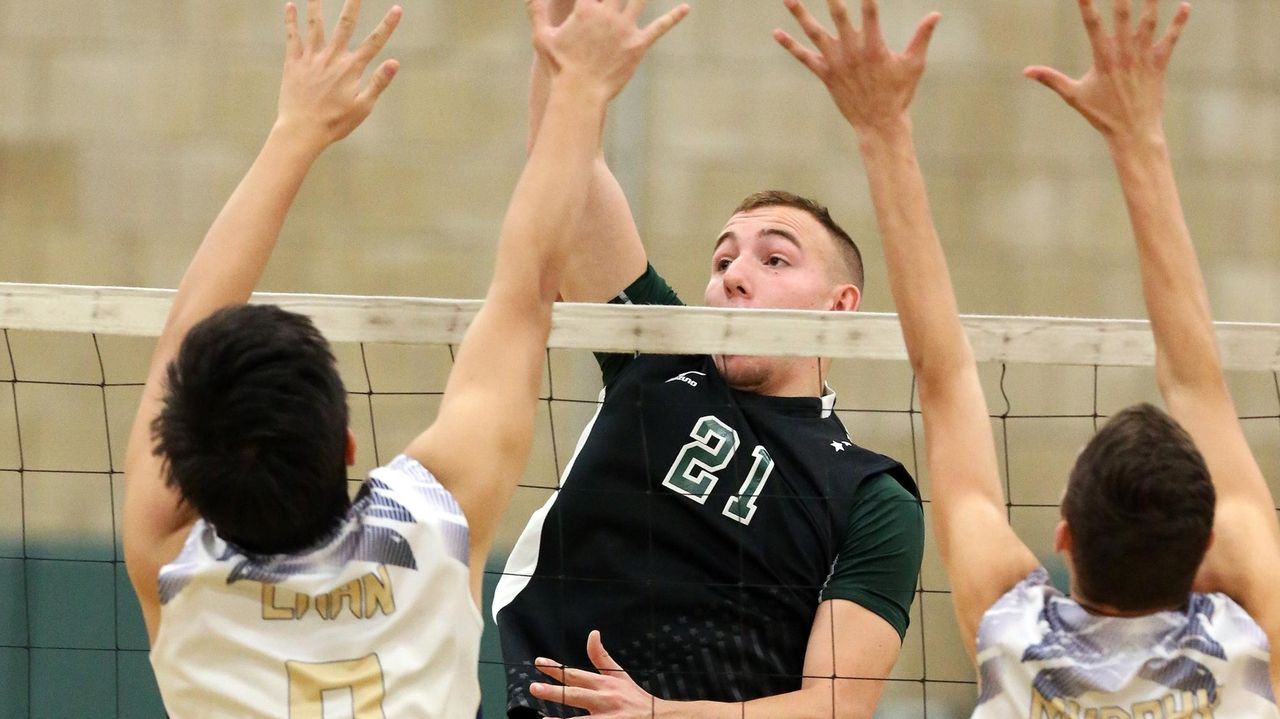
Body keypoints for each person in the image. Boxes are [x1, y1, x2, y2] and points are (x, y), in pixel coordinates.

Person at [120, 0, 688, 715]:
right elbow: (528, 286)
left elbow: (181, 332)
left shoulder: (171, 565)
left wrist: (293, 133)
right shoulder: (432, 521)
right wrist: (578, 89)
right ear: (347, 442)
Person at [794, 0, 1279, 714]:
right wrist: (1140, 136)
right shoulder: (1250, 642)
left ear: (1063, 536)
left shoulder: (1013, 635)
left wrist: (882, 130)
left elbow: (945, 374)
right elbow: (1197, 383)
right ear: (1208, 546)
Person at [495, 2, 924, 717]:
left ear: (840, 307)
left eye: (775, 256)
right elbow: (561, 168)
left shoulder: (872, 496)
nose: (734, 272)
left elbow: (834, 708)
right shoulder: (659, 356)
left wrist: (661, 714)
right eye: (722, 258)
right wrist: (569, 42)